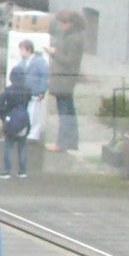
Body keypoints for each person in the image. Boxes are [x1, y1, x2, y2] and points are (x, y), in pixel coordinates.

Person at [47, 9, 87, 152]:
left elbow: (70, 60)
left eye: (61, 23)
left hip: (65, 79)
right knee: (68, 111)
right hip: (62, 78)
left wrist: (54, 53)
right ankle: (71, 142)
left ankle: (62, 143)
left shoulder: (75, 38)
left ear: (69, 24)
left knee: (64, 113)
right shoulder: (69, 35)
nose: (60, 26)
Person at [0, 68, 33, 179]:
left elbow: (1, 105)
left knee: (9, 146)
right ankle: (22, 171)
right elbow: (28, 102)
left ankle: (7, 171)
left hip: (11, 121)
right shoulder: (27, 90)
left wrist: (4, 117)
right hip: (24, 121)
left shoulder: (8, 90)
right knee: (22, 146)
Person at [20, 37, 50, 142]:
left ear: (28, 49)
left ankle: (34, 134)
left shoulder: (39, 61)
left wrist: (42, 90)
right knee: (28, 113)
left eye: (22, 49)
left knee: (35, 114)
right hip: (26, 92)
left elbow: (45, 77)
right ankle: (27, 132)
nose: (20, 52)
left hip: (36, 92)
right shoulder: (23, 62)